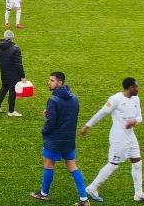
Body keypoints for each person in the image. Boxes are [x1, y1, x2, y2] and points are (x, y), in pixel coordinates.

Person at [80, 78, 144, 203]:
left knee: (137, 163)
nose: (138, 88)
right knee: (113, 165)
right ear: (131, 88)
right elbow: (102, 113)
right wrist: (87, 126)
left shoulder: (136, 99)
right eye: (137, 86)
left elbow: (139, 116)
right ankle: (91, 188)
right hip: (118, 138)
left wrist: (134, 121)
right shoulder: (115, 99)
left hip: (131, 137)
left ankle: (139, 194)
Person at [30, 72, 90, 205]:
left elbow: (51, 123)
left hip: (54, 140)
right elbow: (69, 117)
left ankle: (44, 194)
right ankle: (84, 199)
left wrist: (44, 130)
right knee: (73, 167)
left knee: (48, 164)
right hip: (68, 140)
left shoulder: (53, 100)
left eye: (52, 80)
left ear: (60, 83)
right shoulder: (74, 98)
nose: (49, 82)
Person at [0, 30, 26, 117]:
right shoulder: (16, 49)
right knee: (12, 92)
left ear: (4, 37)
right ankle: (11, 111)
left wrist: (2, 68)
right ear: (13, 38)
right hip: (14, 74)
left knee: (4, 88)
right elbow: (19, 64)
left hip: (4, 72)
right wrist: (22, 76)